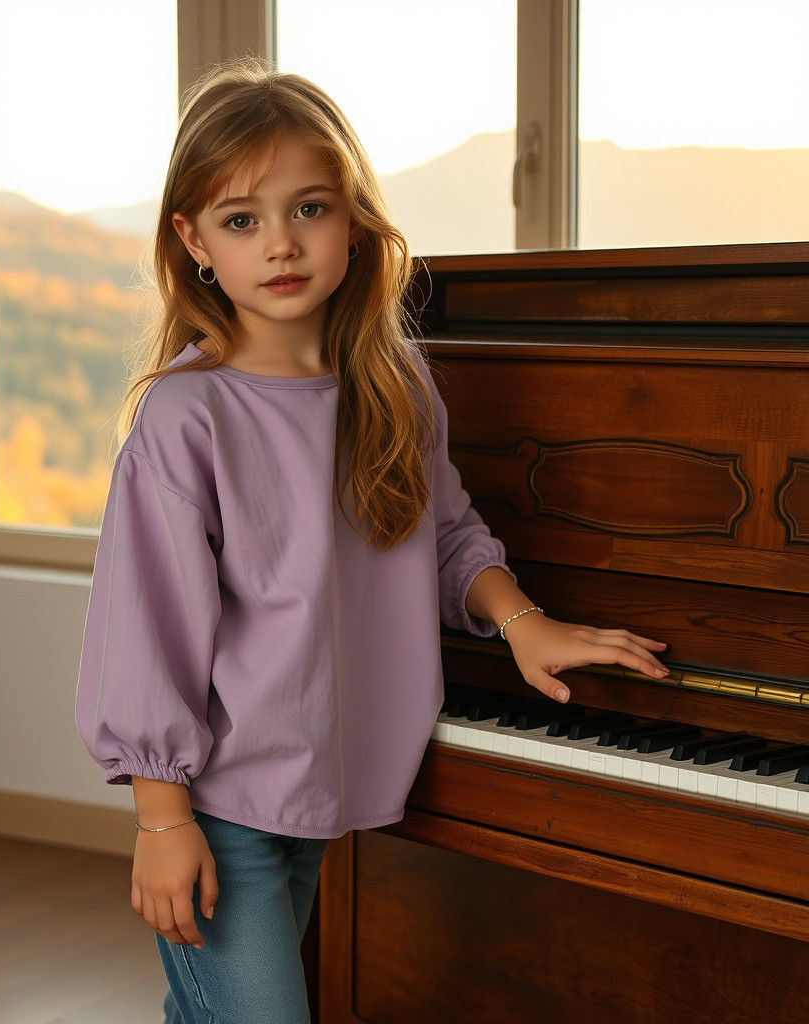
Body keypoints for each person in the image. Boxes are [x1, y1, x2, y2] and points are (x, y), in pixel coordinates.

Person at [74, 56, 670, 1024]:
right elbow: (148, 633)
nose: (280, 243)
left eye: (308, 208)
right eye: (240, 219)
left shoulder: (394, 384)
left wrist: (520, 620)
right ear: (192, 240)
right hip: (220, 804)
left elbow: (440, 534)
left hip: (332, 778)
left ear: (352, 217)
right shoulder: (187, 417)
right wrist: (160, 816)